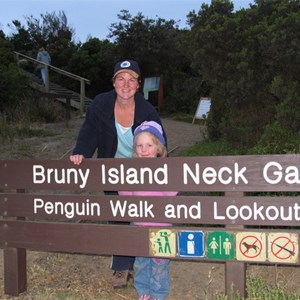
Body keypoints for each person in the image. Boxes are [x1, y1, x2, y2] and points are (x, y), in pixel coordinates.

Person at [69, 60, 167, 289]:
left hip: (140, 169)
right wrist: (80, 152)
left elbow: (160, 141)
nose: (126, 84)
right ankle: (122, 267)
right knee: (119, 214)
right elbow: (89, 131)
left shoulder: (146, 110)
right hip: (112, 170)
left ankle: (150, 262)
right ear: (113, 82)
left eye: (131, 80)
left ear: (138, 85)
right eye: (121, 79)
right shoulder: (101, 104)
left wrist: (160, 170)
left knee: (143, 213)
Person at [119, 121, 177, 300]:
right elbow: (124, 194)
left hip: (161, 226)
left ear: (158, 148)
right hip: (138, 224)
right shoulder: (132, 170)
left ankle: (158, 294)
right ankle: (143, 291)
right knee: (141, 263)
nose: (144, 149)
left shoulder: (165, 170)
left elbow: (172, 192)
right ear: (135, 149)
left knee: (159, 264)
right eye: (139, 145)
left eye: (149, 145)